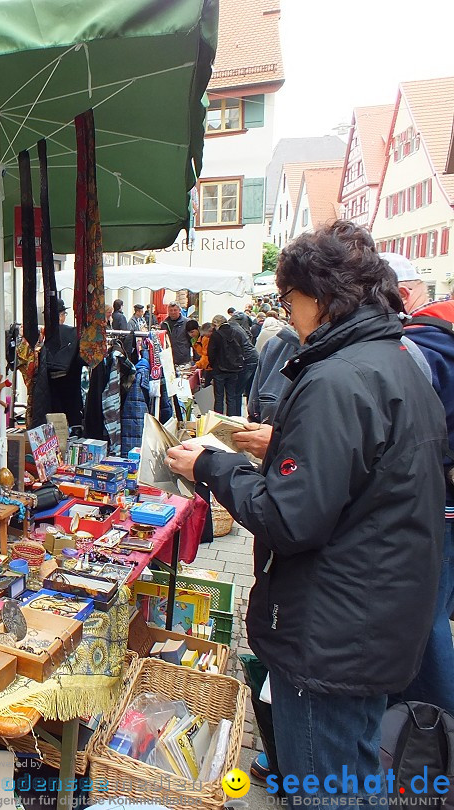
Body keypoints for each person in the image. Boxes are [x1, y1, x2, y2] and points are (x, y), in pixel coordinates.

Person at [166, 222, 446, 805]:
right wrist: (285, 443)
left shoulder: (338, 378)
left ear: (320, 297)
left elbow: (288, 520)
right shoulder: (393, 360)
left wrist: (212, 469)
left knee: (325, 787)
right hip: (372, 619)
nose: (288, 313)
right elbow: (367, 470)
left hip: (333, 632)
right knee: (356, 774)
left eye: (290, 300)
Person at [384, 252, 454, 713]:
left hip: (433, 503)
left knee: (423, 622)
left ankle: (431, 735)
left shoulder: (422, 346)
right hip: (441, 498)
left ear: (401, 294)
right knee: (431, 617)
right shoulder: (439, 336)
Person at [42, 296, 84, 426]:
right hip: (71, 393)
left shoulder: (43, 336)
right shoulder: (74, 334)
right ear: (60, 316)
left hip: (48, 395)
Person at [206, 314, 245, 416]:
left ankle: (218, 421)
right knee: (231, 397)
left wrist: (213, 365)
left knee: (219, 398)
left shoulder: (216, 335)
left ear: (216, 324)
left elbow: (211, 353)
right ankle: (231, 421)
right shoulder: (237, 333)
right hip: (234, 369)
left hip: (219, 369)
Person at [160, 302, 191, 366]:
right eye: (171, 310)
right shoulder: (164, 324)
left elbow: (193, 341)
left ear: (179, 310)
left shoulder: (187, 323)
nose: (173, 312)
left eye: (175, 310)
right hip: (168, 358)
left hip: (183, 358)